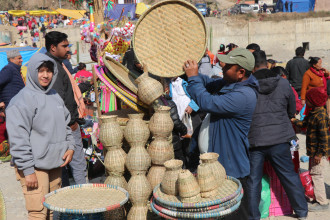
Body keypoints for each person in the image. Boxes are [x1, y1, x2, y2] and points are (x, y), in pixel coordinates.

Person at [184, 48, 259, 219]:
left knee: (236, 214)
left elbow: (207, 102)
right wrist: (191, 74)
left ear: (240, 72)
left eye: (227, 67)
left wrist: (193, 78)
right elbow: (207, 83)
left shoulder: (244, 95)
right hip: (217, 166)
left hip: (231, 168)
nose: (222, 68)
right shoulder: (229, 84)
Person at [6, 53, 75, 220]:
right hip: (35, 166)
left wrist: (70, 147)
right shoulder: (21, 101)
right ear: (31, 71)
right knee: (38, 212)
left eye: (49, 71)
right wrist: (28, 170)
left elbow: (65, 125)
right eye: (41, 71)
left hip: (55, 162)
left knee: (52, 210)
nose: (45, 75)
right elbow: (18, 139)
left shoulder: (54, 96)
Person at [247, 50, 308, 220]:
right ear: (267, 64)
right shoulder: (282, 84)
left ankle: (253, 216)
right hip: (280, 139)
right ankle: (302, 212)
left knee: (254, 180)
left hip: (255, 141)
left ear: (252, 68)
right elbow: (291, 110)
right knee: (289, 175)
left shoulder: (248, 85)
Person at [45, 31, 87, 186]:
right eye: (64, 46)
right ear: (53, 48)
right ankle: (82, 200)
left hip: (61, 124)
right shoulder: (53, 67)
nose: (68, 49)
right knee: (77, 163)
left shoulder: (56, 64)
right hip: (66, 125)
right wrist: (71, 122)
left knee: (65, 164)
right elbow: (58, 100)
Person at [292, 87, 330, 212]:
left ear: (314, 100)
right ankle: (316, 197)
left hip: (318, 153)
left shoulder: (321, 116)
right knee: (313, 173)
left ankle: (322, 202)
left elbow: (324, 138)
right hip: (312, 152)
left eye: (308, 99)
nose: (306, 101)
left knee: (317, 175)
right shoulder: (312, 112)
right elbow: (304, 124)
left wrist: (319, 154)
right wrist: (294, 121)